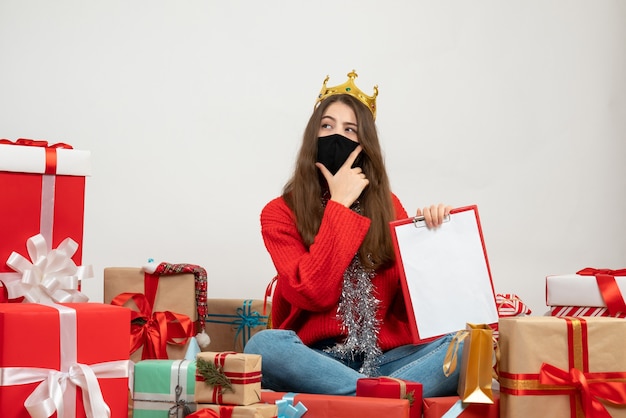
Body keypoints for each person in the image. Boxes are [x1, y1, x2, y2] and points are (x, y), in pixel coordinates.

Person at [244, 70, 460, 397]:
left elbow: (416, 305)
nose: (337, 137)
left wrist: (428, 242)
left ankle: (370, 399)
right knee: (264, 346)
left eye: (350, 130)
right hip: (315, 360)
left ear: (364, 145)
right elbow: (313, 293)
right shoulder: (279, 212)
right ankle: (386, 400)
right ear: (311, 137)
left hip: (387, 361)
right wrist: (340, 206)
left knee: (465, 345)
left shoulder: (388, 205)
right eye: (327, 126)